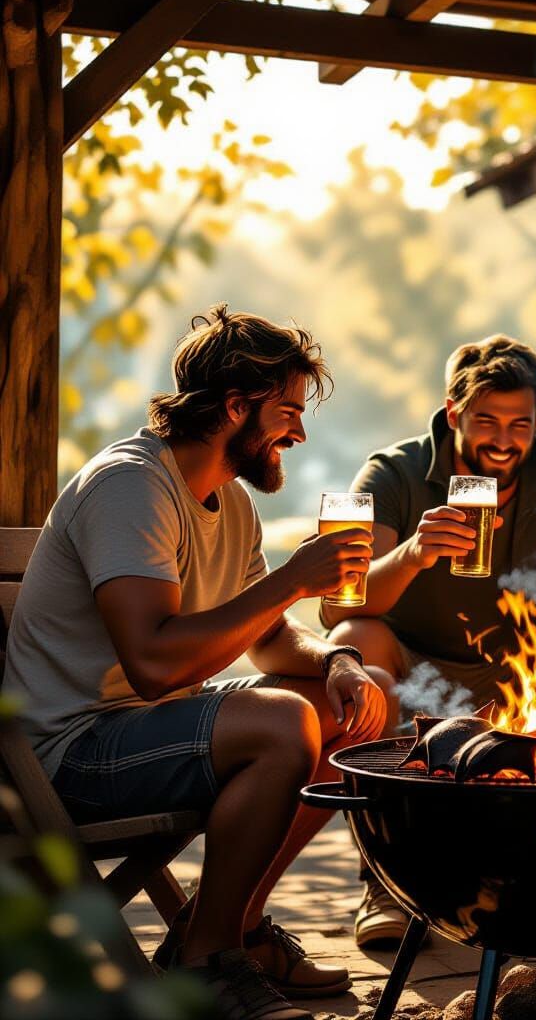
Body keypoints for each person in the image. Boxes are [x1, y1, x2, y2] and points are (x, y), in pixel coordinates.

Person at [4, 307, 389, 1020]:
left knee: (359, 699)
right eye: (287, 413)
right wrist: (295, 578)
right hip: (67, 754)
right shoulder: (130, 486)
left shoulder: (231, 501)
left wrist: (336, 657)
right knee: (281, 724)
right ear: (236, 406)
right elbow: (152, 665)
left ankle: (234, 923)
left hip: (143, 728)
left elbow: (270, 639)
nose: (299, 433)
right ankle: (207, 961)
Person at [322, 333, 536, 946]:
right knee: (358, 638)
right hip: (419, 667)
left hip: (526, 669)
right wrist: (413, 553)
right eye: (486, 420)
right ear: (454, 412)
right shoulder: (394, 473)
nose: (504, 441)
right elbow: (338, 605)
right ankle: (384, 881)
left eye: (521, 424)